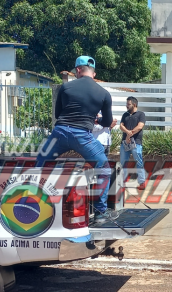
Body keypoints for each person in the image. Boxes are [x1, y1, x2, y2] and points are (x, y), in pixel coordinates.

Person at [36, 56, 116, 223]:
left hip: (60, 133)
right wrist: (97, 120)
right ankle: (100, 212)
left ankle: (36, 201)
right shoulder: (103, 93)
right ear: (93, 73)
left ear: (78, 70)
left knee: (41, 162)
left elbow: (58, 115)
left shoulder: (66, 87)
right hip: (83, 137)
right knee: (104, 169)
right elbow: (108, 122)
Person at [119, 96, 147, 190]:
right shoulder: (125, 115)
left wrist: (129, 135)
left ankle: (142, 182)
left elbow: (140, 126)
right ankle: (122, 182)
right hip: (125, 143)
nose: (126, 106)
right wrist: (127, 133)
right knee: (123, 162)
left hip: (136, 143)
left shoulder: (141, 114)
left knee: (139, 162)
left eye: (128, 104)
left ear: (134, 104)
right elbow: (121, 126)